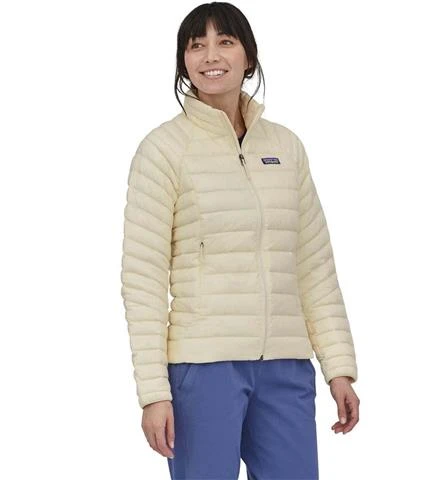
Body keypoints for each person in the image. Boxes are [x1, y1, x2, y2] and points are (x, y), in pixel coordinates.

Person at [120, 2, 360, 479]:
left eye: (225, 42)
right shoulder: (163, 150)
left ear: (248, 56)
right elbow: (142, 279)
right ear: (183, 61)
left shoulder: (285, 147)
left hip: (285, 365)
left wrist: (339, 367)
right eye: (197, 45)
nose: (211, 55)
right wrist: (153, 392)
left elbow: (313, 266)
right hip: (203, 367)